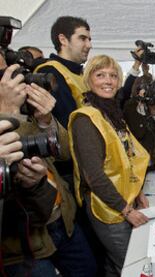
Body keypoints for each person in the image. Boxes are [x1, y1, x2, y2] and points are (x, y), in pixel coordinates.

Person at [0, 64, 96, 276]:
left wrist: (45, 120)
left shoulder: (26, 111)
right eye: (4, 76)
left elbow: (63, 152)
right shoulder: (9, 108)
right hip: (23, 243)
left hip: (63, 219)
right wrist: (5, 112)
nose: (11, 82)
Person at [68, 55, 150, 275]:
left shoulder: (110, 113)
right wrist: (127, 210)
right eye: (100, 75)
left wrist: (138, 191)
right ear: (89, 80)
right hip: (108, 209)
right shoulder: (86, 119)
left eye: (113, 76)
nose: (108, 81)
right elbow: (93, 177)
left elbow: (127, 157)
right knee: (131, 266)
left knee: (115, 265)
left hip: (123, 200)